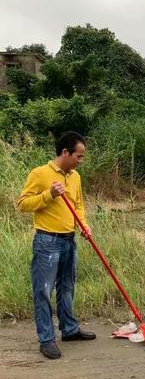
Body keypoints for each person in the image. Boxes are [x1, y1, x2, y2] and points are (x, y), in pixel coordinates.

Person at [17, 131, 96, 360]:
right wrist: (49, 194)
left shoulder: (75, 177)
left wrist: (83, 224)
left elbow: (78, 204)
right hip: (47, 242)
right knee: (43, 291)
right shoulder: (40, 174)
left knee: (67, 287)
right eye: (78, 156)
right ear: (65, 152)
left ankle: (69, 329)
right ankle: (46, 339)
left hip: (69, 240)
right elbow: (22, 204)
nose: (80, 161)